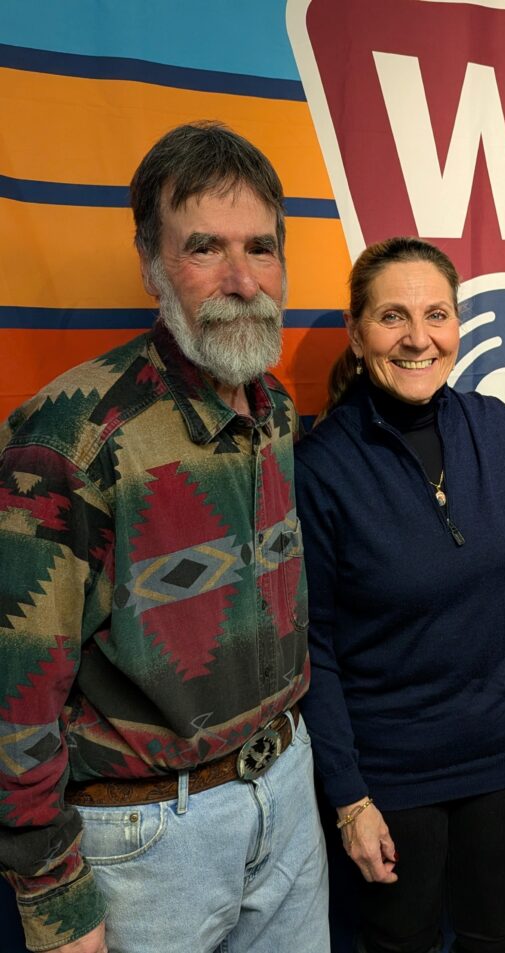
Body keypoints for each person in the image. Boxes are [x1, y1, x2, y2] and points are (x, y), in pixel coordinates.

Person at [0, 122, 329, 953]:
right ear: (151, 264)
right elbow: (15, 695)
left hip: (288, 790)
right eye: (205, 248)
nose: (241, 280)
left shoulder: (277, 411)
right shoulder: (69, 439)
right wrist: (54, 894)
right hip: (149, 840)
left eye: (260, 248)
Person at [295, 237, 505, 953]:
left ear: (458, 325)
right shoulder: (320, 466)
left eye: (436, 314)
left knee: (499, 938)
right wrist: (349, 797)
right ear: (357, 333)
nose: (418, 338)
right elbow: (314, 649)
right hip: (394, 771)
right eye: (392, 316)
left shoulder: (495, 424)